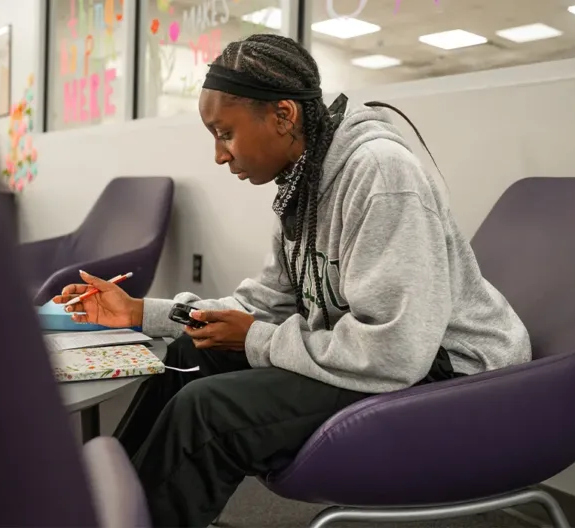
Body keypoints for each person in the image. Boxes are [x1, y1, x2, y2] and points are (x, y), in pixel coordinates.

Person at [53, 33, 532, 527]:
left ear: (284, 116)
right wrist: (143, 312)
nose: (220, 155)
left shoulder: (382, 175)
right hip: (383, 356)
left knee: (207, 413)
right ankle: (107, 516)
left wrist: (257, 341)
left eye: (225, 133)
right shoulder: (302, 186)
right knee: (189, 357)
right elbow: (260, 303)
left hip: (448, 372)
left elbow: (397, 353)